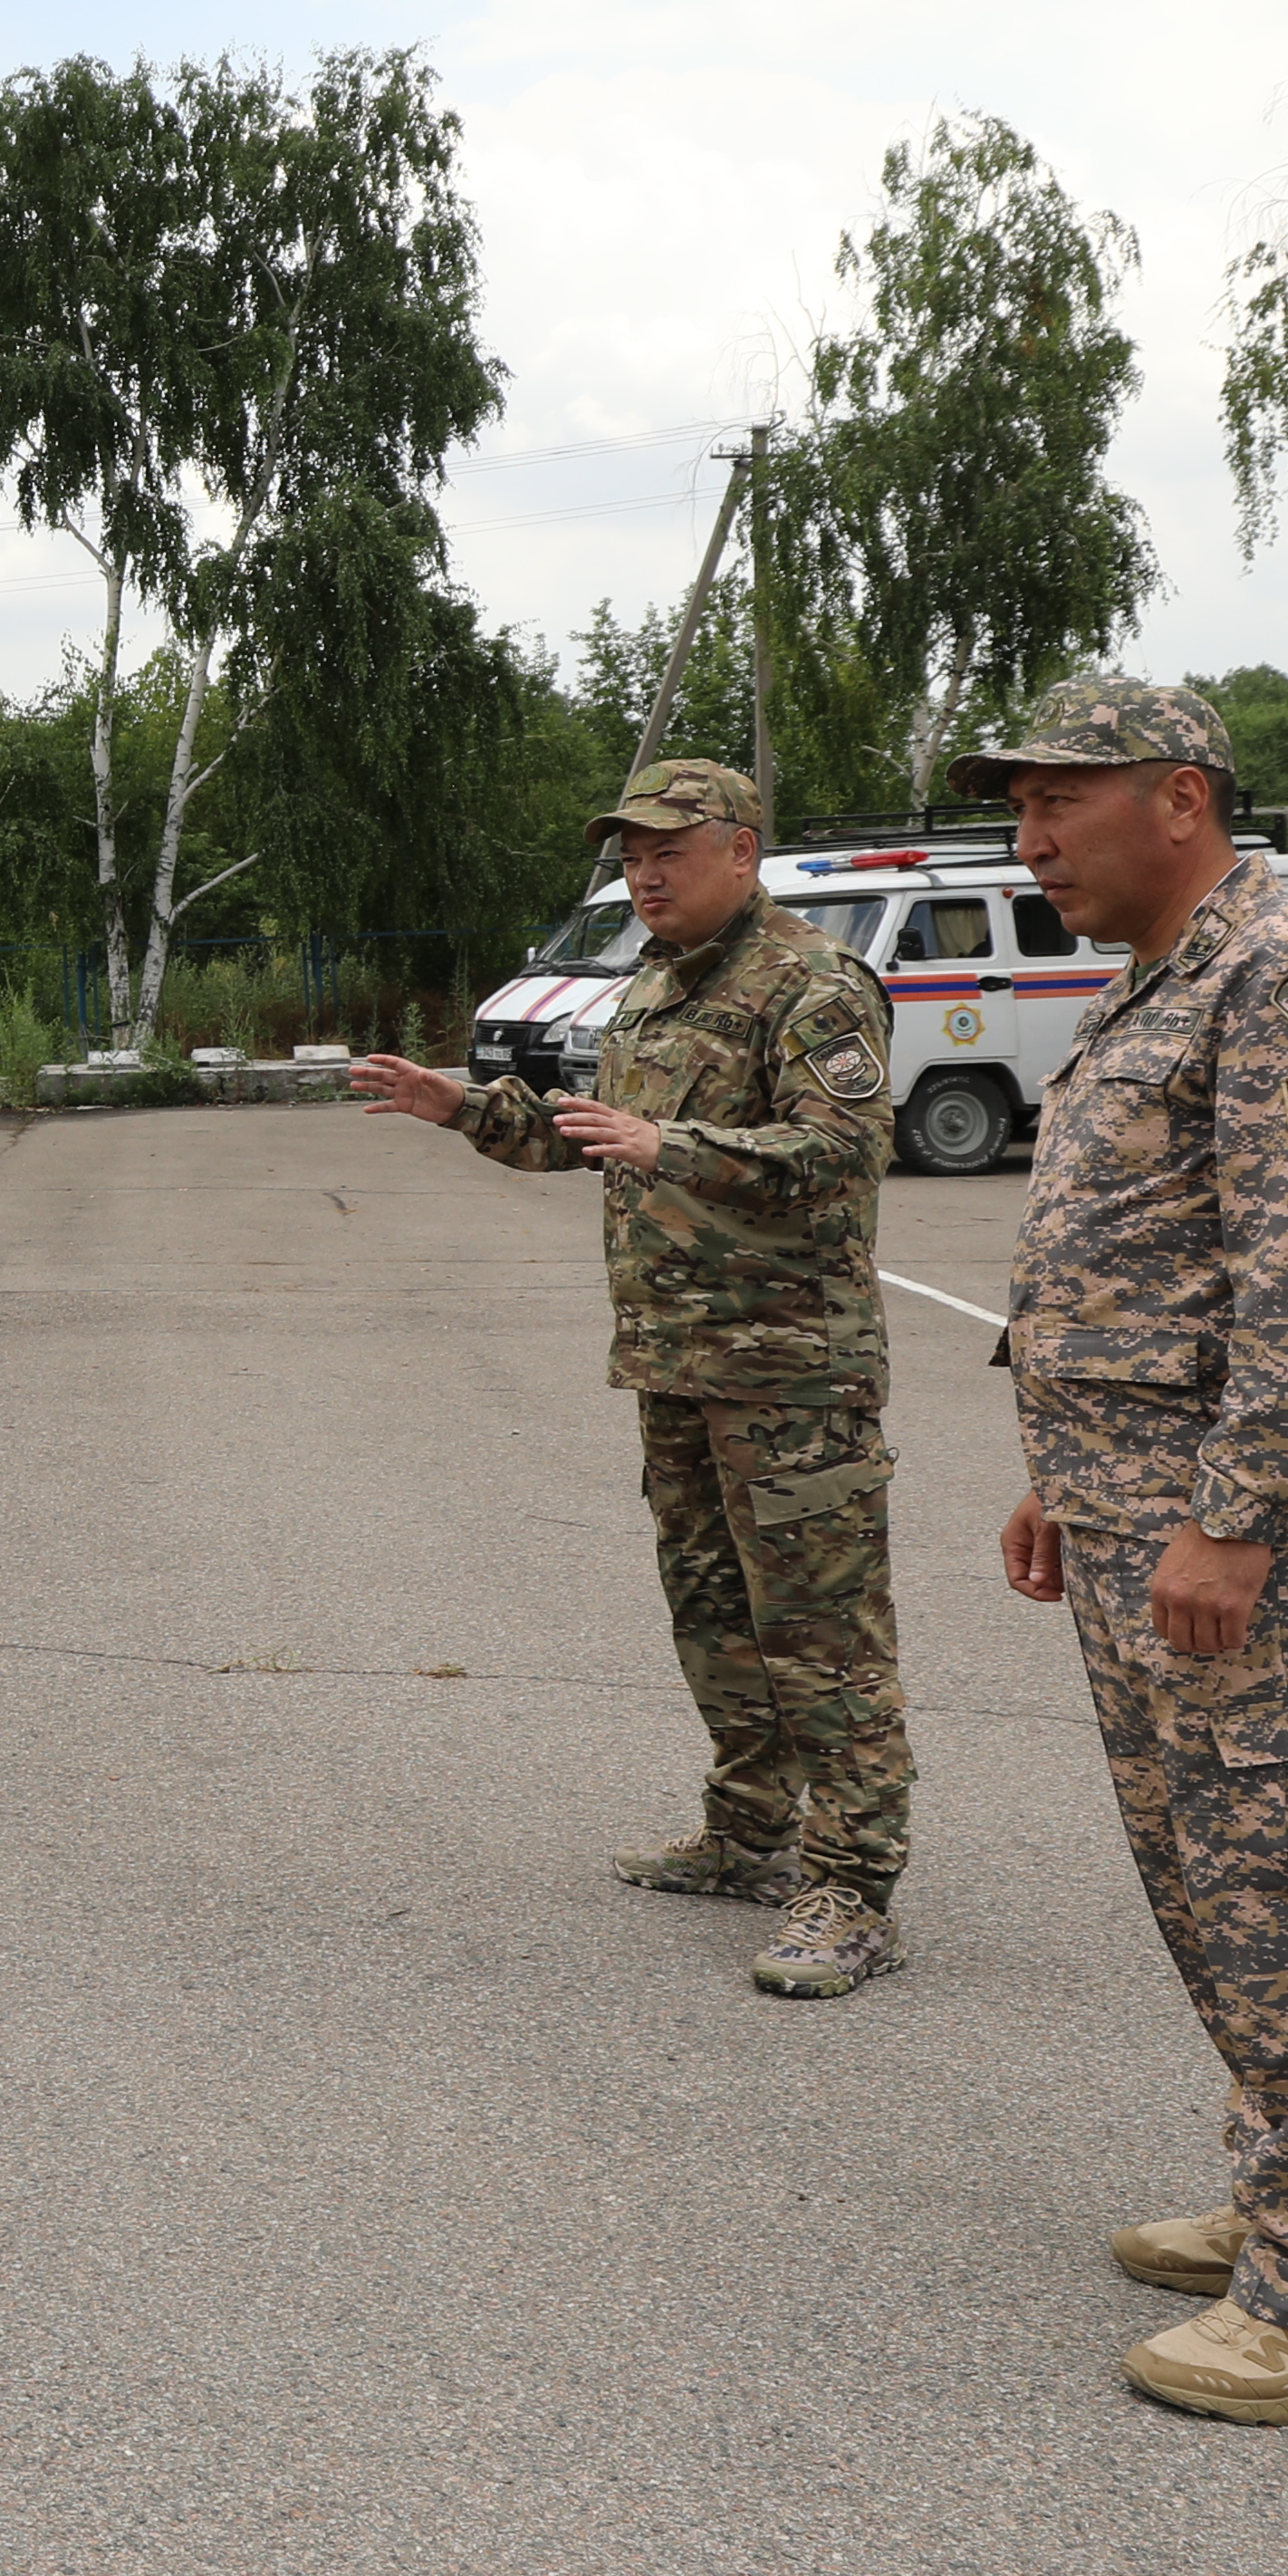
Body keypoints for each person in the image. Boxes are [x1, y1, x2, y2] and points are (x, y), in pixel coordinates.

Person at [967, 675, 1288, 2425]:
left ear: (1178, 798)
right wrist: (1064, 1475)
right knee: (1210, 1890)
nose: (1028, 846)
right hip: (1131, 1507)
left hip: (1251, 1538)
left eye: (1055, 808)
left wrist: (1230, 1521)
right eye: (1019, 811)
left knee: (1283, 1895)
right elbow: (1139, 1261)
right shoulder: (1171, 979)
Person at [346, 755, 912, 2001]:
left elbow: (842, 1154)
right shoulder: (652, 990)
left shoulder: (811, 984)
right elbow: (599, 1138)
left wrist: (675, 1145)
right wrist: (464, 1109)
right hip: (675, 1360)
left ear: (742, 849)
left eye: (669, 847)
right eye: (631, 853)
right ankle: (749, 1834)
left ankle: (853, 1889)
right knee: (713, 1617)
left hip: (792, 1373)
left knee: (822, 1640)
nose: (643, 872)